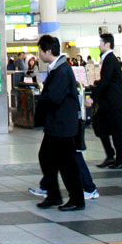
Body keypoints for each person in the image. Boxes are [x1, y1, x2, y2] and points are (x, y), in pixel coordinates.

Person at [33, 35, 84, 211]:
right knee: (46, 158)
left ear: (48, 52)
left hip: (62, 126)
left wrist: (41, 100)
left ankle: (77, 199)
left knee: (67, 163)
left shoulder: (62, 71)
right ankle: (54, 195)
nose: (38, 54)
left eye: (39, 51)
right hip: (56, 125)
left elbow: (54, 97)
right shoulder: (57, 68)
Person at [91, 33, 122, 169]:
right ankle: (111, 155)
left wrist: (92, 97)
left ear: (108, 44)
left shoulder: (110, 59)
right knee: (102, 128)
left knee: (116, 131)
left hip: (113, 103)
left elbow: (106, 81)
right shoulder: (108, 59)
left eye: (101, 43)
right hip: (108, 103)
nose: (99, 45)